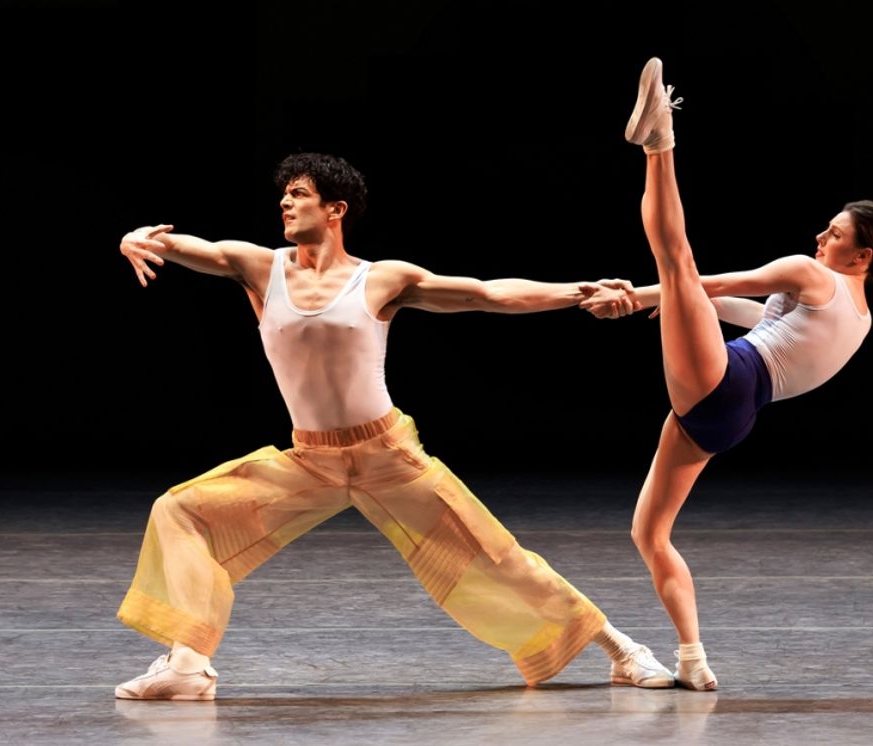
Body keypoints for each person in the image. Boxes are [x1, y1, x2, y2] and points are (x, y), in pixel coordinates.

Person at [111, 152, 677, 700]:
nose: (284, 201)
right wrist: (135, 237)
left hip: (387, 455)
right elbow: (190, 247)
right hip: (310, 462)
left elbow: (487, 294)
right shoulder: (259, 267)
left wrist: (580, 292)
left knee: (497, 557)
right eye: (283, 193)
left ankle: (622, 651)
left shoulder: (380, 280)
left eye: (299, 193)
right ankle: (187, 665)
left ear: (336, 209)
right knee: (180, 509)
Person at [580, 57, 873, 690]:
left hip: (731, 380)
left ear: (861, 255)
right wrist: (671, 305)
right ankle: (693, 659)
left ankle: (659, 142)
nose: (820, 236)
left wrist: (638, 298)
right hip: (735, 414)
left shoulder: (815, 275)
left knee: (676, 259)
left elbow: (710, 282)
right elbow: (751, 316)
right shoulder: (859, 315)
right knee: (649, 532)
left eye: (833, 234)